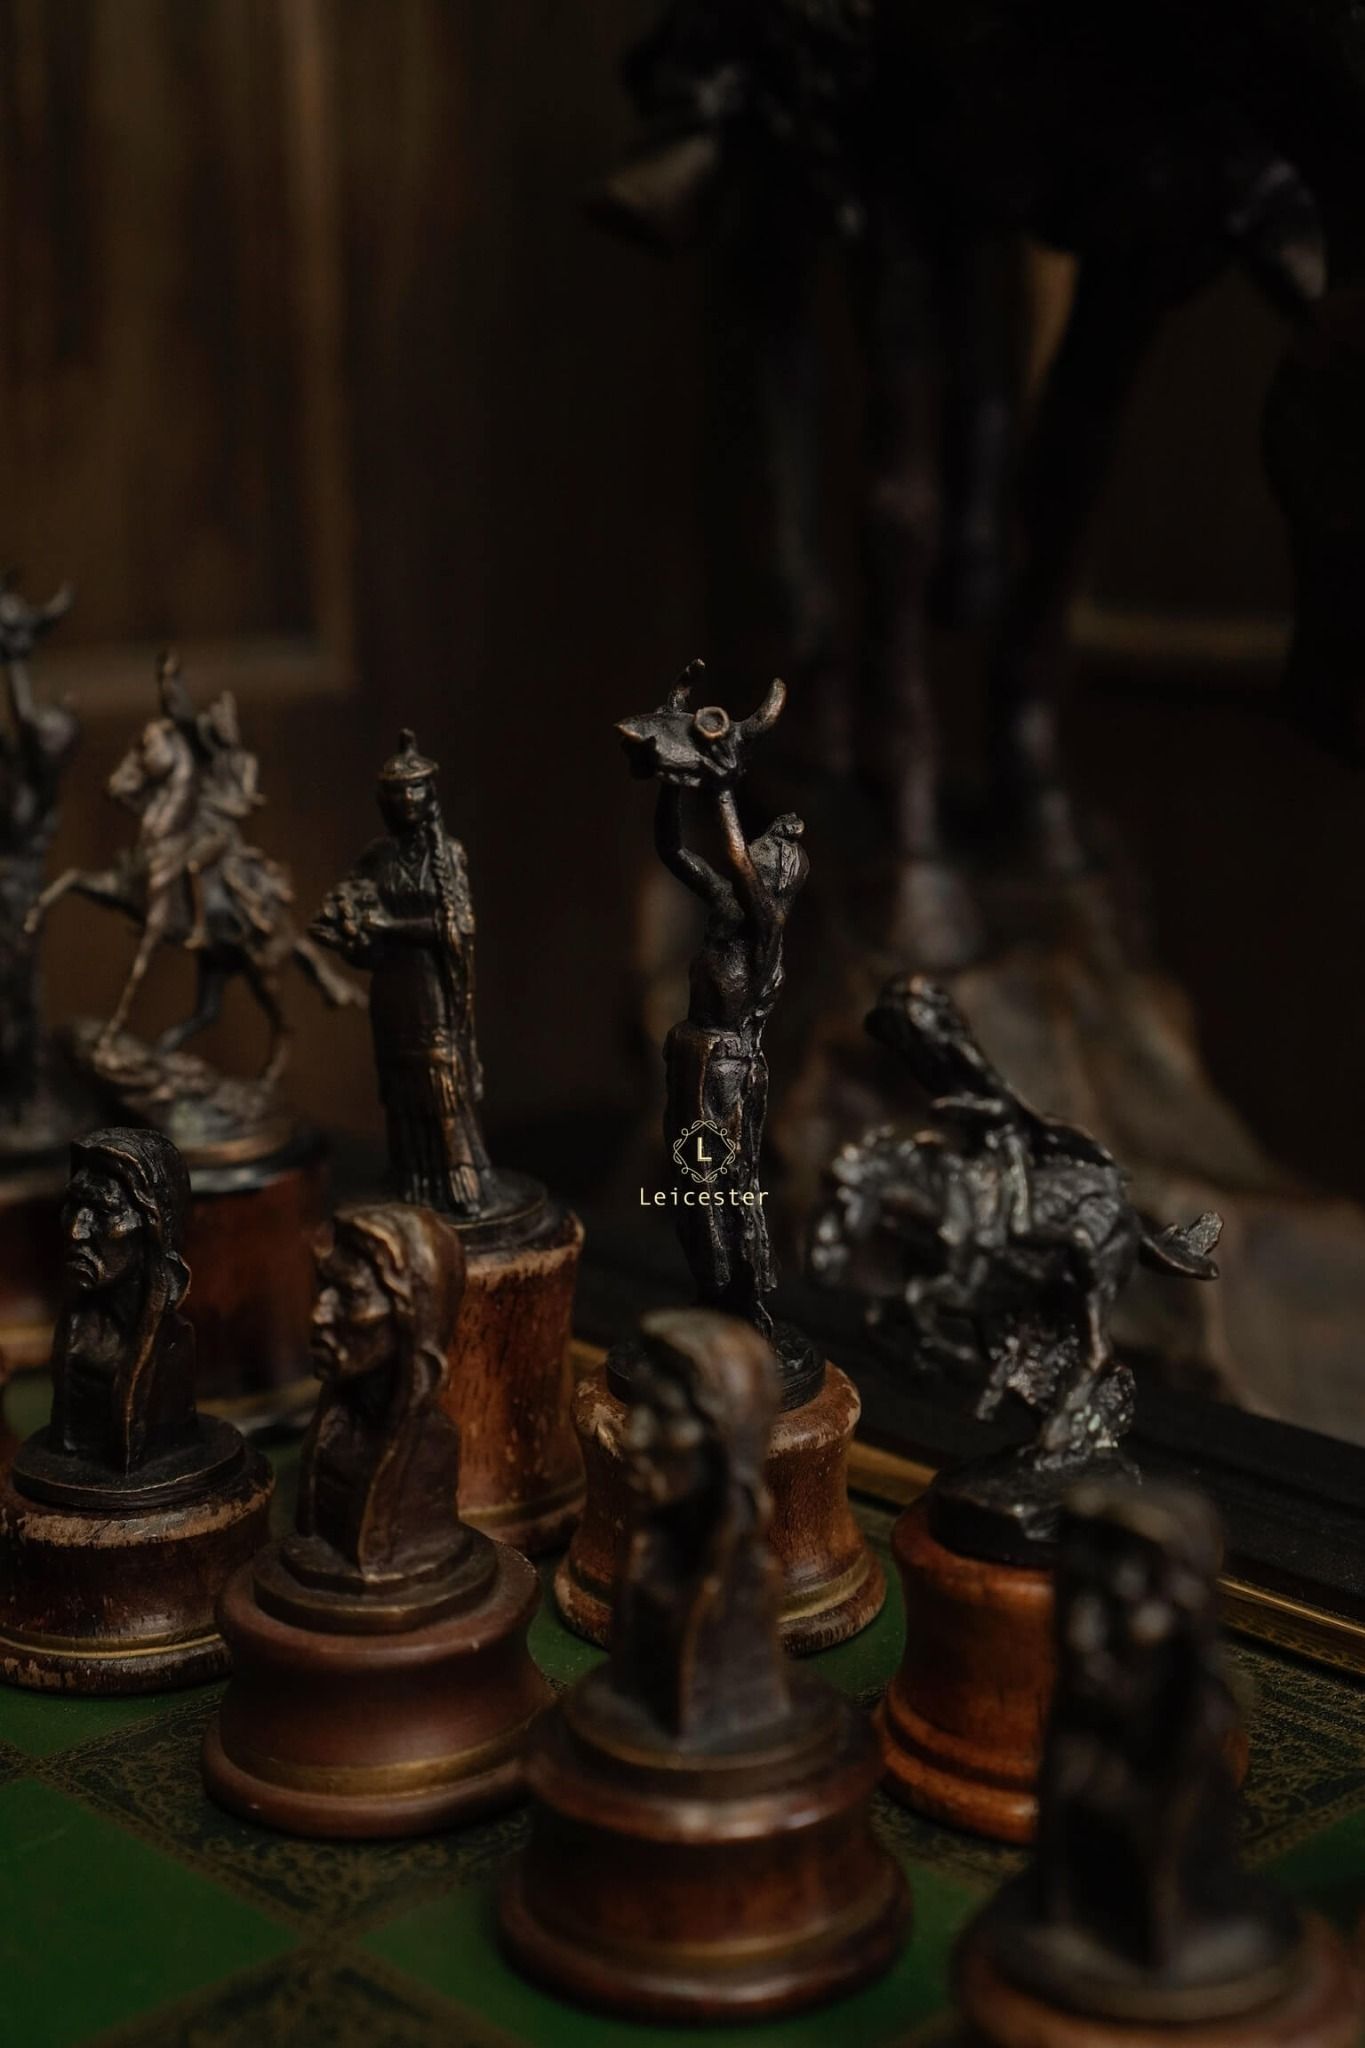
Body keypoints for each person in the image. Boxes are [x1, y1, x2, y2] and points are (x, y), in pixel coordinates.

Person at [311, 733, 497, 1217]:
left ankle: (459, 1173)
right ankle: (413, 1174)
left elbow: (457, 926)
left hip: (431, 986)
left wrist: (389, 925)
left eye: (414, 789)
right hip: (391, 987)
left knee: (439, 1073)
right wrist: (345, 931)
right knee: (400, 1078)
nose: (406, 800)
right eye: (396, 793)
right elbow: (352, 912)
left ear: (430, 794)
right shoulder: (377, 858)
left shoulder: (448, 856)